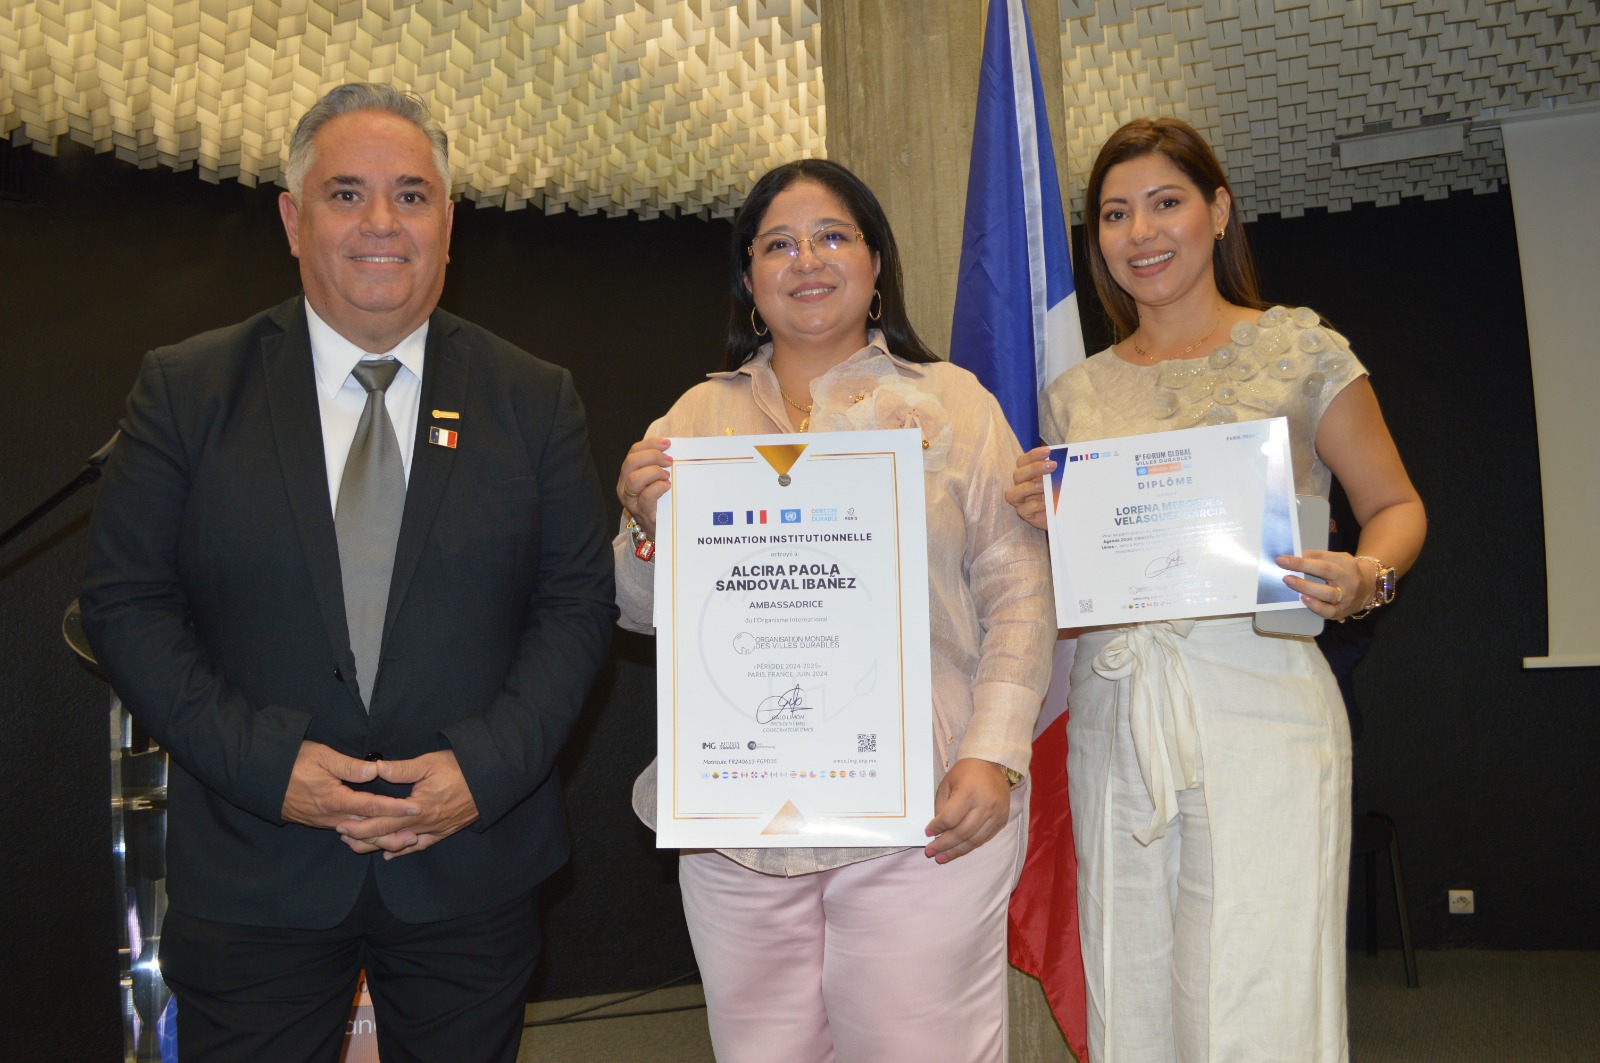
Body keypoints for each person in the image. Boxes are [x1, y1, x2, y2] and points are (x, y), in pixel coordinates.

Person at [80, 83, 616, 1063]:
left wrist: (483, 772)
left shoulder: (535, 398)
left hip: (469, 868)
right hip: (256, 868)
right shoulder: (187, 389)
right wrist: (268, 770)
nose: (381, 222)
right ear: (294, 220)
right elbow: (126, 604)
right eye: (346, 194)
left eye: (411, 195)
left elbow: (575, 606)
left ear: (447, 224)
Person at [613, 159, 1055, 1061]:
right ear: (748, 278)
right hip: (739, 822)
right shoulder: (693, 419)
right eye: (778, 244)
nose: (806, 260)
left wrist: (994, 753)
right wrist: (645, 525)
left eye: (831, 236)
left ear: (875, 261)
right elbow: (640, 613)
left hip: (924, 807)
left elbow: (1018, 588)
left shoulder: (953, 403)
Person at [1006, 116, 1426, 1062]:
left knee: (1253, 987)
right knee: (1130, 983)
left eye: (1166, 202)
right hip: (1119, 708)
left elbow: (1395, 504)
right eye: (1116, 214)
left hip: (1265, 702)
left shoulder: (1299, 349)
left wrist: (1366, 575)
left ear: (1219, 209)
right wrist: (1041, 516)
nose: (1141, 232)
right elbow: (1085, 571)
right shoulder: (1076, 393)